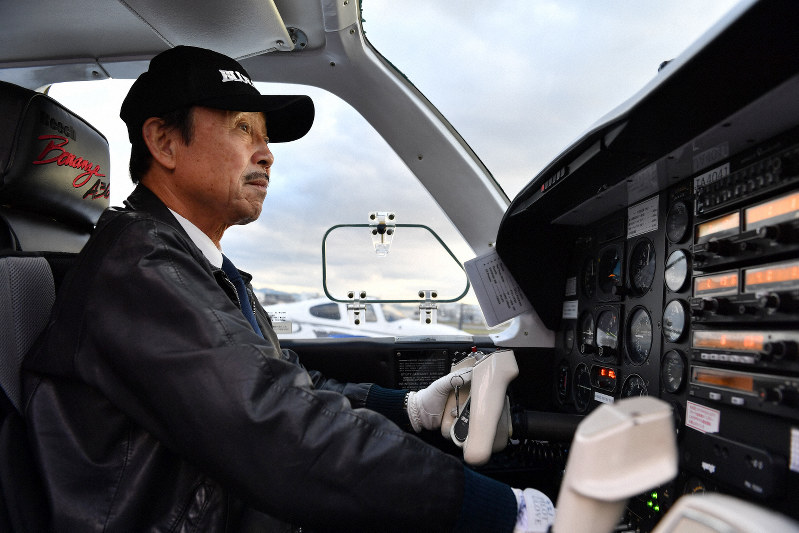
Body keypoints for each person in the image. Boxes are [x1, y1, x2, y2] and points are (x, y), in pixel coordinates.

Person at [22, 46, 555, 532]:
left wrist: (410, 407)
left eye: (264, 135)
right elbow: (274, 425)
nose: (267, 153)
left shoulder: (194, 264)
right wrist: (508, 514)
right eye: (242, 129)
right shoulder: (139, 269)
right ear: (164, 142)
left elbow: (284, 382)